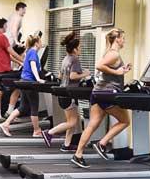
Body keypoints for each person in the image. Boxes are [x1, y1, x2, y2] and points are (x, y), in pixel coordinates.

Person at [71, 28, 132, 169]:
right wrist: (117, 71)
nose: (124, 40)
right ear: (117, 39)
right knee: (125, 120)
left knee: (92, 124)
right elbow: (99, 66)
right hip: (107, 93)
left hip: (98, 92)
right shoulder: (114, 54)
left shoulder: (109, 52)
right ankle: (102, 143)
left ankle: (78, 155)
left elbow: (106, 69)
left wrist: (121, 71)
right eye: (123, 38)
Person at [41, 32, 90, 151]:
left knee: (72, 120)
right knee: (73, 122)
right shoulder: (75, 59)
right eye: (80, 47)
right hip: (70, 94)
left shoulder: (65, 59)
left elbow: (60, 75)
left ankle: (67, 145)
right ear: (75, 49)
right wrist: (85, 74)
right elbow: (73, 76)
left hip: (63, 92)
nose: (81, 49)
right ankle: (49, 133)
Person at [0, 33, 44, 137]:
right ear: (36, 43)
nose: (41, 44)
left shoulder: (28, 51)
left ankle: (6, 124)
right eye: (40, 42)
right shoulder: (33, 52)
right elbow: (33, 65)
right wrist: (38, 79)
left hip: (24, 81)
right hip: (29, 83)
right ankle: (37, 131)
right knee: (34, 107)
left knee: (23, 107)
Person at [4, 2, 27, 118]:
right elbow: (13, 30)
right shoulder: (18, 17)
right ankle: (10, 112)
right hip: (10, 43)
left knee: (17, 89)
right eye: (24, 10)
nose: (25, 12)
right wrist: (17, 42)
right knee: (17, 88)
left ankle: (10, 112)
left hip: (10, 44)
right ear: (20, 9)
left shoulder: (12, 16)